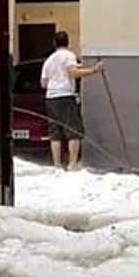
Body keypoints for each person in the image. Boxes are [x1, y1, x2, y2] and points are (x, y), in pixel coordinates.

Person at [40, 30, 104, 171]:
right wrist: (94, 70)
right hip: (65, 96)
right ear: (67, 42)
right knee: (73, 130)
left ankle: (56, 165)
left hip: (51, 98)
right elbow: (73, 73)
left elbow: (43, 83)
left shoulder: (49, 60)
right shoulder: (69, 56)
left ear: (54, 43)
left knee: (54, 132)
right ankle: (72, 163)